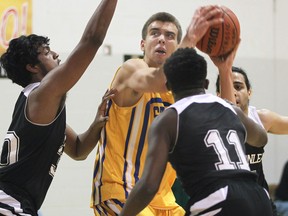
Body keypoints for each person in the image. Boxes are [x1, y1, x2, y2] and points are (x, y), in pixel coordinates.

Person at [89, 5, 229, 216]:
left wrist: (224, 69)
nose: (162, 39)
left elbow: (225, 118)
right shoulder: (131, 70)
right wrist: (190, 39)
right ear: (143, 44)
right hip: (120, 192)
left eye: (170, 35)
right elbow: (156, 79)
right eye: (155, 33)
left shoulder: (181, 91)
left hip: (164, 199)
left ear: (176, 46)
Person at [119, 47, 273, 216]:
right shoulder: (231, 109)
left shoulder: (168, 119)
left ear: (168, 86)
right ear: (205, 83)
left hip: (218, 201)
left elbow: (149, 186)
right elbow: (261, 139)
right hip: (259, 199)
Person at [0, 0, 118, 215]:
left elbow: (79, 149)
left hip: (18, 203)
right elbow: (92, 40)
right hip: (10, 204)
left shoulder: (39, 107)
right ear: (32, 67)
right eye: (46, 52)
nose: (55, 54)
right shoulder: (41, 95)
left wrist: (97, 121)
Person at [216, 66, 288, 215]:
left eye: (238, 86)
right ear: (218, 94)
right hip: (227, 205)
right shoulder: (212, 122)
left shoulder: (262, 118)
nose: (234, 92)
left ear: (249, 92)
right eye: (228, 87)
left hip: (260, 203)